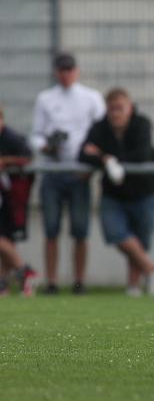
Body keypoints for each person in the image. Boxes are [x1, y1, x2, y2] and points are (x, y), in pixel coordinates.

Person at [78, 88, 154, 296]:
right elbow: (83, 155)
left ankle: (133, 287)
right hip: (114, 193)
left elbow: (141, 154)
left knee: (139, 241)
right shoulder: (99, 128)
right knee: (115, 234)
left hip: (145, 191)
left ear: (130, 108)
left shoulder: (142, 124)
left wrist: (104, 156)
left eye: (120, 108)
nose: (115, 113)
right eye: (111, 109)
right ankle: (153, 270)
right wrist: (104, 159)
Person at [30, 52, 105, 294]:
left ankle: (79, 281)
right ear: (56, 72)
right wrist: (45, 146)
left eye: (70, 69)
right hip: (53, 170)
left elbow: (101, 133)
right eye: (62, 70)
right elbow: (36, 134)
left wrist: (91, 158)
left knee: (80, 230)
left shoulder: (91, 98)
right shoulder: (45, 98)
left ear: (77, 70)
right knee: (51, 229)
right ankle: (52, 282)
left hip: (79, 172)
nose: (66, 74)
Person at [0, 104, 38, 296]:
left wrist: (6, 161)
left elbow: (28, 158)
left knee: (3, 240)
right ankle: (4, 284)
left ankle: (25, 272)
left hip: (10, 199)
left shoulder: (11, 138)